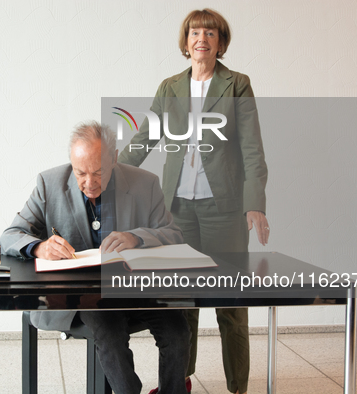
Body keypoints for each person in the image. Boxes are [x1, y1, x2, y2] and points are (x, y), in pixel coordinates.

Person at [117, 9, 269, 394]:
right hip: (178, 211)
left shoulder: (236, 84)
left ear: (220, 42)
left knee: (230, 304)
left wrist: (255, 204)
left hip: (225, 209)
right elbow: (146, 136)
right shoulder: (170, 87)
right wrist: (111, 171)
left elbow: (252, 148)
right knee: (182, 301)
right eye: (195, 33)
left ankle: (238, 388)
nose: (202, 39)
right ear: (186, 42)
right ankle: (179, 382)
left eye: (211, 33)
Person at [0, 121, 190, 394]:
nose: (89, 183)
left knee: (177, 332)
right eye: (81, 173)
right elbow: (9, 235)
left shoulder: (145, 183)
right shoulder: (48, 183)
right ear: (71, 163)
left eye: (99, 172)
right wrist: (39, 248)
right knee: (109, 333)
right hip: (82, 295)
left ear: (114, 158)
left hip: (137, 288)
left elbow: (173, 235)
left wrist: (136, 237)